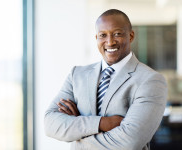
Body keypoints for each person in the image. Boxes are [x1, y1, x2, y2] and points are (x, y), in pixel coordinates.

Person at [44, 9, 167, 150]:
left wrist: (77, 132)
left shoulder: (151, 80)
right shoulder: (77, 75)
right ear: (96, 38)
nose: (110, 42)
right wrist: (102, 123)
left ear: (131, 36)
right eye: (103, 35)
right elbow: (50, 124)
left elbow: (129, 142)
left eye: (117, 34)